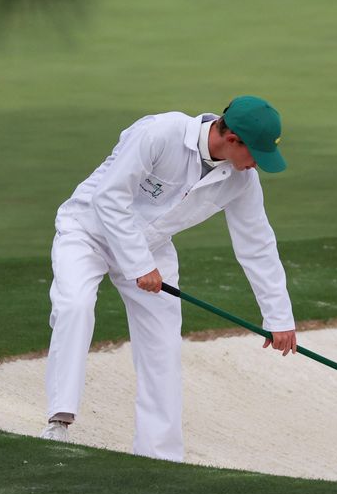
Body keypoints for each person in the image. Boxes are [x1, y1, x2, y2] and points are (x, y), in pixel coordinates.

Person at [40, 95, 297, 462]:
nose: (257, 164)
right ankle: (58, 422)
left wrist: (279, 319)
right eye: (255, 153)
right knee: (75, 305)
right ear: (233, 139)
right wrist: (138, 264)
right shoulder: (161, 132)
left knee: (163, 347)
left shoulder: (242, 180)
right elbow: (109, 198)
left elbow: (258, 246)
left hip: (153, 249)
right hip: (87, 231)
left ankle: (160, 456)